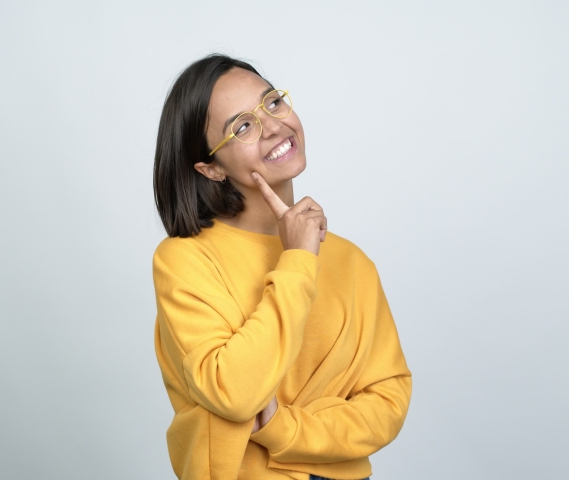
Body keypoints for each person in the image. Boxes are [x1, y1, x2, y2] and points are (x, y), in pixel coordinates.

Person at [152, 54, 412, 480]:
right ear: (211, 168)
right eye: (242, 127)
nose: (273, 126)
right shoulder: (184, 260)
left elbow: (389, 400)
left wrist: (280, 427)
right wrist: (298, 260)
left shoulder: (351, 262)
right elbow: (234, 393)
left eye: (272, 103)